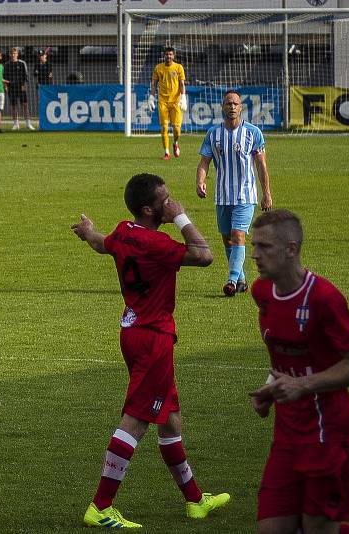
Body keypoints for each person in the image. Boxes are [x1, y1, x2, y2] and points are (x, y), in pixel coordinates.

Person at [71, 173, 230, 529]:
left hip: (132, 331)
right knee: (138, 419)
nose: (170, 203)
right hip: (153, 337)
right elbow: (204, 256)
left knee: (170, 416)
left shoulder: (124, 230)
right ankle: (100, 506)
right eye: (165, 200)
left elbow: (101, 244)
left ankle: (195, 501)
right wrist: (182, 217)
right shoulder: (157, 245)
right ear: (149, 209)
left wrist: (88, 232)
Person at [247, 209, 349, 534]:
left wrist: (303, 385)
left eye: (264, 247)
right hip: (287, 432)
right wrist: (271, 387)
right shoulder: (262, 292)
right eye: (254, 245)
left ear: (291, 249)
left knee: (317, 529)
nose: (254, 254)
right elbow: (287, 354)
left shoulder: (324, 298)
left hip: (329, 434)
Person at [196, 89, 273, 297]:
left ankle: (231, 280)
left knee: (238, 236)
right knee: (227, 239)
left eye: (235, 104)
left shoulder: (253, 133)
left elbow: (261, 165)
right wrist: (200, 182)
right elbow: (204, 161)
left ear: (241, 108)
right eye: (228, 103)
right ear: (222, 107)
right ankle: (241, 280)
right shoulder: (213, 134)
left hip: (245, 196)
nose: (232, 107)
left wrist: (266, 193)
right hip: (222, 196)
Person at [147, 47, 186, 160]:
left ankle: (176, 143)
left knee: (176, 128)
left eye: (170, 54)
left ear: (173, 56)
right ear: (163, 56)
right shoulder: (158, 68)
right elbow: (154, 84)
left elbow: (182, 84)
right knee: (164, 128)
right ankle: (167, 153)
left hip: (176, 102)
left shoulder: (178, 67)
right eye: (167, 54)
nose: (168, 56)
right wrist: (151, 97)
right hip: (163, 102)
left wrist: (183, 97)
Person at [4, 47, 35, 130]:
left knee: (25, 105)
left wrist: (23, 85)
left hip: (20, 87)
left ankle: (28, 124)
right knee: (13, 106)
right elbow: (4, 77)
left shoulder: (22, 63)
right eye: (12, 53)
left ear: (17, 54)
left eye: (15, 53)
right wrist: (6, 86)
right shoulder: (7, 65)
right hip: (11, 88)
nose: (13, 55)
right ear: (10, 54)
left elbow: (25, 76)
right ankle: (15, 124)